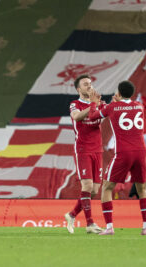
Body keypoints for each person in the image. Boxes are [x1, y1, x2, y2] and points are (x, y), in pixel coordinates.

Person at [88, 80, 146, 235]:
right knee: (142, 189)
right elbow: (125, 108)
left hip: (124, 152)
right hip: (141, 151)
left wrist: (93, 103)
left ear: (119, 93)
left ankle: (109, 227)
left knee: (107, 187)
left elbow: (92, 117)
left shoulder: (112, 107)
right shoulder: (139, 106)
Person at [64, 74, 104, 234]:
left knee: (94, 190)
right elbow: (77, 117)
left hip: (98, 150)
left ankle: (71, 214)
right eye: (86, 84)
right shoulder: (75, 104)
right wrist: (93, 105)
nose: (90, 86)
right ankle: (90, 224)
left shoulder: (99, 103)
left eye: (91, 83)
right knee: (86, 186)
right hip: (83, 150)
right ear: (78, 89)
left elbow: (109, 115)